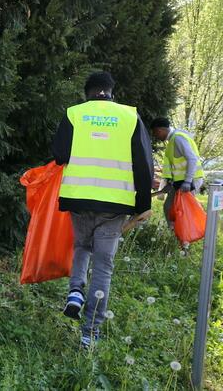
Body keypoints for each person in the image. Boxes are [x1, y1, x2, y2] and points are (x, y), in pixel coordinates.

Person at [52, 71, 153, 348]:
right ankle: (90, 333)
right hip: (115, 204)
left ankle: (75, 291)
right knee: (103, 266)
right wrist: (143, 205)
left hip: (78, 199)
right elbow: (144, 163)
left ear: (87, 93)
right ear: (111, 92)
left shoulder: (75, 114)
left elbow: (59, 155)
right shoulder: (130, 117)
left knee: (82, 247)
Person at [149, 117, 204, 235]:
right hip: (181, 182)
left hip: (190, 181)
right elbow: (176, 167)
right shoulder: (173, 140)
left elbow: (192, 159)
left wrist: (188, 181)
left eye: (155, 133)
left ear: (159, 130)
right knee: (169, 207)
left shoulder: (178, 138)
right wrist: (171, 183)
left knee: (183, 211)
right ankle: (177, 235)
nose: (155, 136)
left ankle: (185, 240)